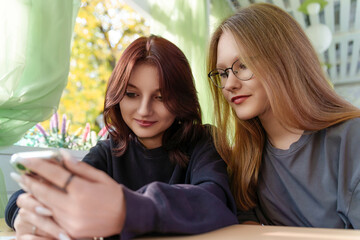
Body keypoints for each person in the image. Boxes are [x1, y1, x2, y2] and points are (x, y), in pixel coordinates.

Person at [6, 35, 238, 239]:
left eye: (160, 97)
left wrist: (129, 208)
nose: (144, 110)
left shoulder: (203, 141)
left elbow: (216, 201)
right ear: (117, 96)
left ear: (181, 100)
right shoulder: (107, 153)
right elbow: (42, 196)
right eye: (131, 94)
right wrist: (24, 215)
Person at [206, 3, 360, 229]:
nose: (229, 84)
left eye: (244, 65)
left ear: (283, 60)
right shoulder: (246, 159)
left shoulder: (351, 138)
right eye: (222, 73)